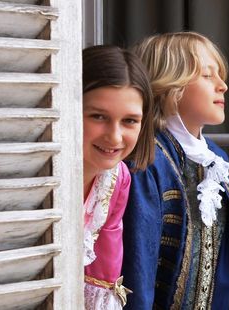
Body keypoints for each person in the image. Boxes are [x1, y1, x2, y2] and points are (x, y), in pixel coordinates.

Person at [122, 32, 229, 309]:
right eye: (207, 75)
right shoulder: (147, 161)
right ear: (170, 86)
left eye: (220, 75)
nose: (223, 85)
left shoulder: (216, 159)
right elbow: (137, 267)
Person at [82, 45, 154, 310]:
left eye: (129, 121)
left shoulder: (117, 178)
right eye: (98, 116)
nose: (114, 137)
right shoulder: (40, 171)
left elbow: (103, 277)